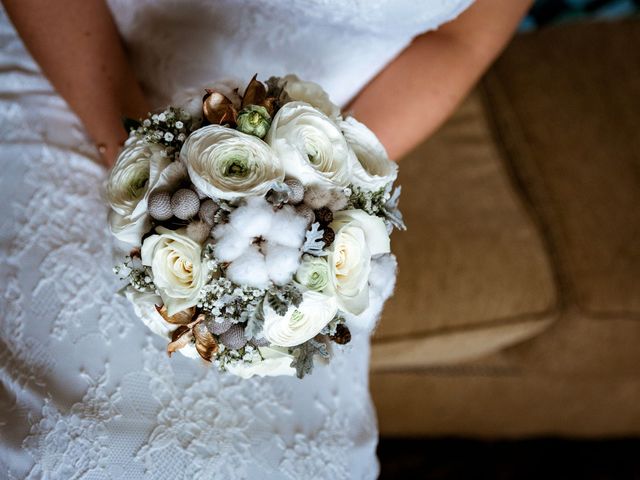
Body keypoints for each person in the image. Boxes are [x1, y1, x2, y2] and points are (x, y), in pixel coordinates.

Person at [0, 1, 530, 478]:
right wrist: (147, 163)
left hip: (309, 149)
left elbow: (462, 39)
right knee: (74, 443)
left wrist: (326, 170)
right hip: (86, 75)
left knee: (318, 465)